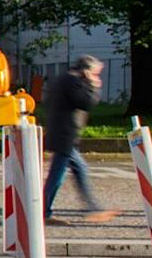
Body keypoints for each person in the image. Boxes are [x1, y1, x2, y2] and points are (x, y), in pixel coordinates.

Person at [42, 54, 117, 224]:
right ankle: (44, 212)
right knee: (57, 176)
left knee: (76, 170)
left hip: (61, 133)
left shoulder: (64, 79)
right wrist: (93, 86)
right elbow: (86, 103)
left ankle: (92, 208)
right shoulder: (73, 81)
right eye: (95, 73)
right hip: (65, 135)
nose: (97, 77)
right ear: (87, 70)